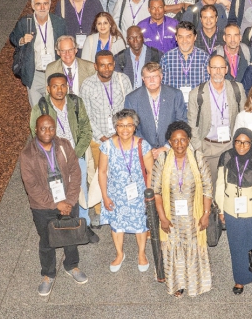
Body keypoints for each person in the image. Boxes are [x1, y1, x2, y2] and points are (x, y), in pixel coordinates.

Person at [19, 114, 88, 296]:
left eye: (51, 128)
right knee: (47, 240)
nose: (47, 132)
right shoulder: (27, 155)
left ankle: (71, 265)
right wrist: (56, 204)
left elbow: (75, 172)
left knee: (71, 236)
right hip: (43, 207)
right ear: (36, 129)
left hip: (68, 201)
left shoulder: (64, 145)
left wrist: (70, 200)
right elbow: (32, 187)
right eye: (43, 128)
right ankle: (48, 274)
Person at [152, 120, 213, 297]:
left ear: (189, 140)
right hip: (171, 216)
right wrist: (162, 218)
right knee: (172, 247)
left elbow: (208, 188)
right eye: (175, 140)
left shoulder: (198, 158)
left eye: (183, 140)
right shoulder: (162, 160)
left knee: (193, 245)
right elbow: (156, 192)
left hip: (194, 215)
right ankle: (177, 284)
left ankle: (194, 283)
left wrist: (206, 214)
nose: (179, 144)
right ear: (169, 142)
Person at [28, 72, 93, 220]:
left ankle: (84, 223)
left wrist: (74, 155)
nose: (59, 90)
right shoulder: (41, 108)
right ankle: (62, 224)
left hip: (76, 155)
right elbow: (35, 133)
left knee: (80, 189)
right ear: (48, 88)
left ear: (67, 87)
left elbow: (86, 130)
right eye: (55, 86)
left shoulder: (76, 102)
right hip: (53, 159)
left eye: (63, 85)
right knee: (57, 191)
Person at [215, 128, 252, 294]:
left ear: (251, 143)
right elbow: (220, 185)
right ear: (234, 142)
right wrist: (220, 209)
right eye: (238, 141)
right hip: (231, 211)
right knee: (236, 246)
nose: (242, 145)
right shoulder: (226, 157)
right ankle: (240, 279)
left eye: (246, 142)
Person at [99, 109, 155, 272]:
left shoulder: (142, 145)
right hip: (115, 194)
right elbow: (102, 172)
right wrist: (105, 196)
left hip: (138, 194)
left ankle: (142, 254)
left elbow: (151, 171)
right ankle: (119, 253)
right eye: (121, 125)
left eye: (129, 125)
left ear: (135, 127)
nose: (125, 129)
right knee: (117, 225)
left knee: (140, 225)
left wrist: (149, 194)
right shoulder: (107, 146)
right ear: (115, 127)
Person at [187, 55, 246, 179]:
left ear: (226, 69)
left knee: (231, 186)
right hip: (208, 149)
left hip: (231, 146)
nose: (218, 72)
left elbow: (244, 119)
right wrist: (199, 147)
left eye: (221, 68)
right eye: (214, 68)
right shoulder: (196, 94)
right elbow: (191, 125)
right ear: (208, 69)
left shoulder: (237, 89)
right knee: (211, 190)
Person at [11, 0, 67, 106]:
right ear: (32, 6)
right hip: (35, 73)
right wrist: (22, 40)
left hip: (54, 72)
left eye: (45, 3)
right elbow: (13, 37)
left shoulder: (58, 22)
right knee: (38, 114)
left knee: (56, 110)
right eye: (38, 4)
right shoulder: (25, 23)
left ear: (49, 5)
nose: (42, 7)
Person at [124, 62, 187, 152]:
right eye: (148, 77)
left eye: (155, 76)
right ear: (143, 79)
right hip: (142, 150)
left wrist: (167, 146)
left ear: (161, 77)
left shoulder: (175, 95)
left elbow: (181, 122)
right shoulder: (132, 99)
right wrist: (147, 149)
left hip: (171, 148)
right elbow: (132, 127)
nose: (152, 80)